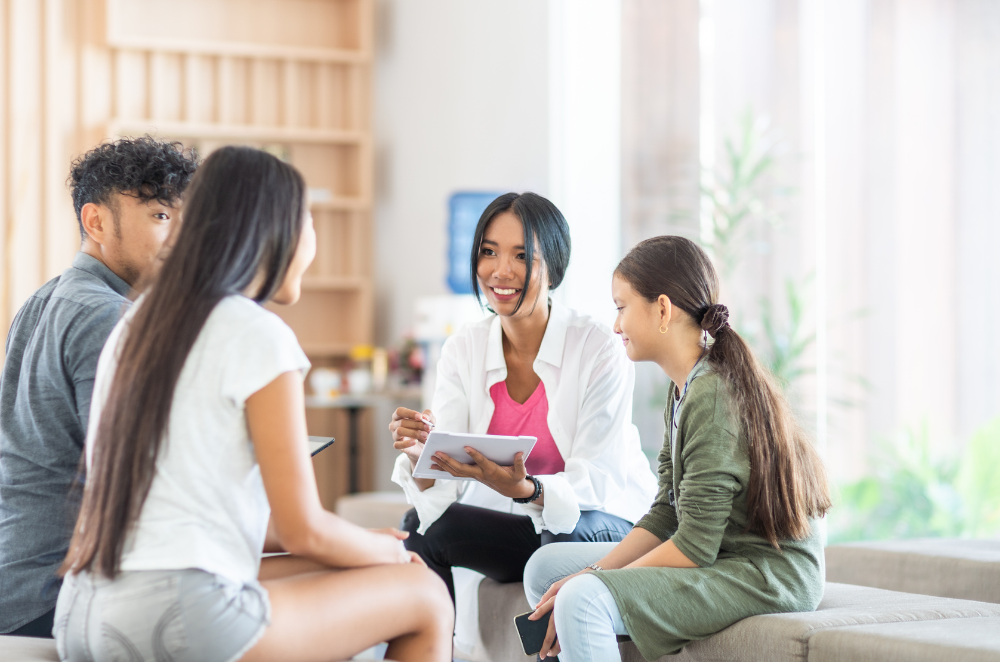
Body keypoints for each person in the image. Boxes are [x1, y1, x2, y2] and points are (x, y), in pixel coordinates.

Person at [55, 147, 453, 662]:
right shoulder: (254, 331)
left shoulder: (140, 322)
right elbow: (302, 529)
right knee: (425, 595)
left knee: (356, 568)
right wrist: (388, 551)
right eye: (309, 222)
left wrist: (357, 545)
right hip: (174, 611)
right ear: (276, 228)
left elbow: (214, 519)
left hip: (85, 610)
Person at [523, 236, 832, 661]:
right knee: (544, 569)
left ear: (663, 310)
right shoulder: (684, 387)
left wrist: (595, 580)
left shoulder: (712, 394)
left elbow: (694, 546)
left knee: (582, 598)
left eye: (621, 307)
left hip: (765, 571)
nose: (616, 326)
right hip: (723, 551)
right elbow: (667, 511)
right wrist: (593, 572)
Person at [388, 192, 657, 615]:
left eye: (521, 256)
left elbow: (598, 481)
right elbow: (443, 484)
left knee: (560, 537)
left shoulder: (597, 347)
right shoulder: (464, 348)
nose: (501, 271)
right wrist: (423, 454)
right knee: (419, 528)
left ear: (553, 267)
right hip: (530, 524)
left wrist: (528, 489)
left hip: (606, 522)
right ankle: (435, 645)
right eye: (489, 252)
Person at [0, 136, 198, 638]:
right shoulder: (106, 315)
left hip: (18, 582)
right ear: (96, 222)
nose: (179, 236)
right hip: (57, 596)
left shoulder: (46, 298)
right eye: (160, 216)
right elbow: (133, 477)